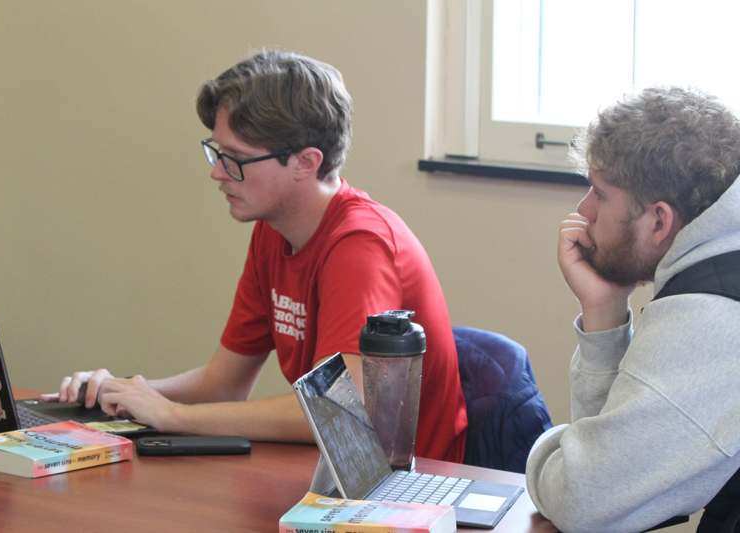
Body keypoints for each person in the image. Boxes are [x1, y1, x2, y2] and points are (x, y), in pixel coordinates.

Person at [44, 49, 468, 462]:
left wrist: (173, 415)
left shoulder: (360, 246)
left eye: (236, 160)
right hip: (329, 473)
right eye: (216, 152)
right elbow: (223, 384)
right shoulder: (273, 229)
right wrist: (123, 391)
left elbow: (336, 412)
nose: (216, 172)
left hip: (401, 492)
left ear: (306, 162)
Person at [525, 86, 740, 532]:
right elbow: (612, 480)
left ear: (659, 220)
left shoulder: (711, 319)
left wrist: (552, 450)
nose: (582, 213)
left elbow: (583, 500)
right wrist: (604, 313)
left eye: (599, 194)